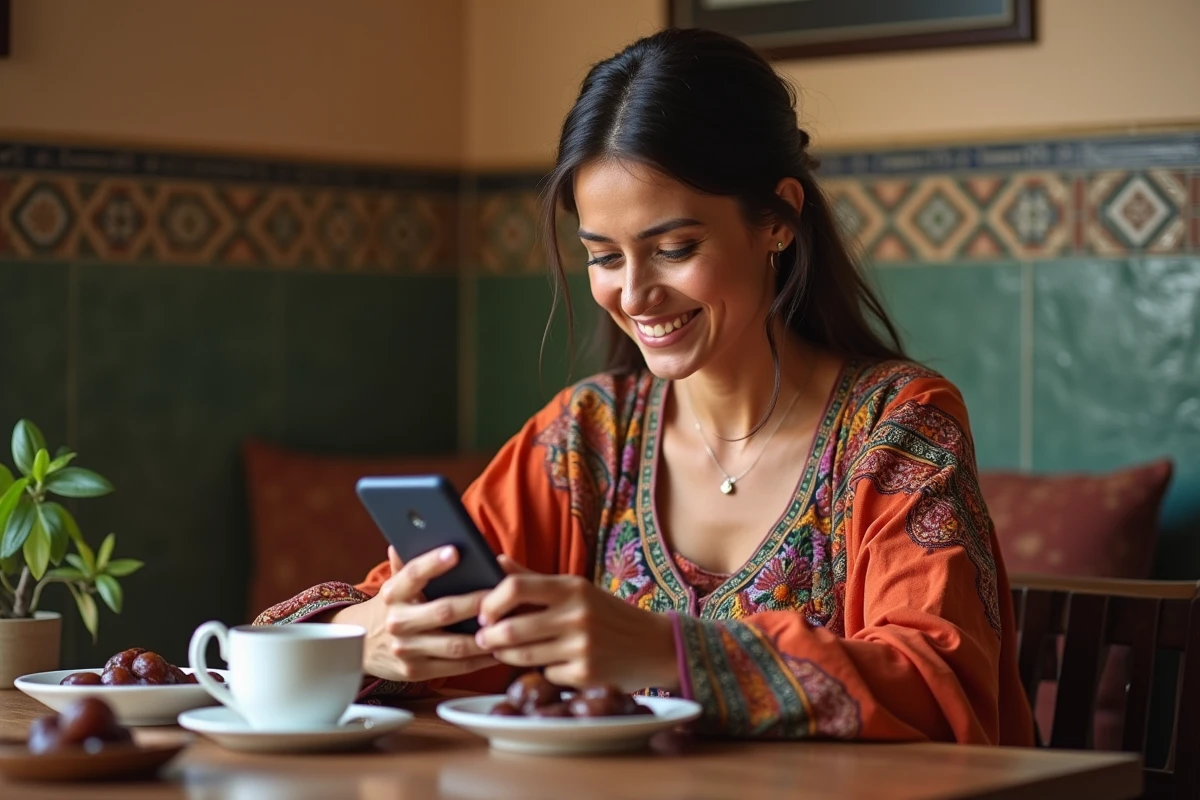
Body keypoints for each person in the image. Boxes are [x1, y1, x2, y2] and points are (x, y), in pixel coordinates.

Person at [256, 28, 1034, 745]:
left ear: (778, 220)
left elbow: (937, 684)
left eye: (674, 248)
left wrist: (667, 650)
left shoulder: (897, 426)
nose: (634, 295)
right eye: (603, 257)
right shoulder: (588, 437)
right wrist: (371, 636)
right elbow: (361, 624)